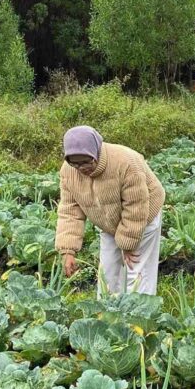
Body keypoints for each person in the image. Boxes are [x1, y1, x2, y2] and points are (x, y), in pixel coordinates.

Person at [55, 125, 165, 295]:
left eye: (86, 161)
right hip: (107, 220)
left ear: (96, 151)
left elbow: (136, 206)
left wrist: (128, 243)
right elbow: (70, 211)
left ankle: (139, 317)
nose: (82, 168)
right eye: (75, 163)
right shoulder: (69, 171)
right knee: (108, 271)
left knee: (136, 269)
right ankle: (108, 315)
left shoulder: (126, 162)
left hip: (143, 214)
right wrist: (68, 250)